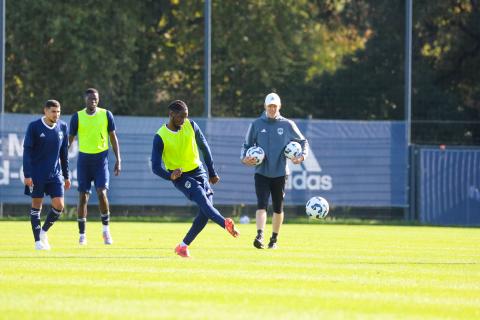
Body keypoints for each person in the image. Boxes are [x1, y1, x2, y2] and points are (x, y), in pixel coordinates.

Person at [151, 100, 240, 258]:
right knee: (201, 198)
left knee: (206, 211)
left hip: (199, 171)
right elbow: (155, 167)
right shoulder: (160, 136)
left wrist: (211, 172)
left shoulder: (191, 125)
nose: (183, 120)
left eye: (186, 116)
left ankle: (183, 246)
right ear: (171, 114)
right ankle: (224, 223)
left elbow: (204, 147)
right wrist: (170, 176)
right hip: (180, 176)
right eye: (180, 117)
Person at [241, 93, 308, 249]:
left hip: (280, 173)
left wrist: (302, 156)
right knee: (261, 204)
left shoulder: (287, 124)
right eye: (269, 106)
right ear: (265, 106)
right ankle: (260, 235)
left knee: (278, 207)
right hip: (261, 172)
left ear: (279, 107)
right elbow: (246, 146)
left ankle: (274, 239)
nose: (272, 109)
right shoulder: (256, 124)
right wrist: (244, 158)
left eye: (275, 106)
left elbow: (303, 141)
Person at [68, 88, 121, 245]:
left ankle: (106, 231)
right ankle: (82, 235)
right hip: (84, 160)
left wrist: (119, 159)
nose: (93, 101)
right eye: (91, 98)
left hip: (101, 160)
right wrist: (62, 159)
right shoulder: (77, 117)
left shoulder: (106, 114)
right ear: (85, 99)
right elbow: (69, 140)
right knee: (83, 196)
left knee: (102, 193)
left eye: (96, 99)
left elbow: (113, 137)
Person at [23, 100, 70, 250]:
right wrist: (27, 174)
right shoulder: (34, 127)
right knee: (37, 206)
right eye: (53, 111)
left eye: (58, 112)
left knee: (59, 205)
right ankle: (37, 242)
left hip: (55, 175)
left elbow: (64, 154)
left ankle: (43, 232)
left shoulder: (63, 127)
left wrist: (67, 176)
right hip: (37, 175)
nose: (56, 114)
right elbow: (27, 152)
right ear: (45, 111)